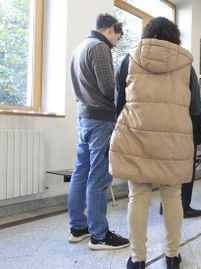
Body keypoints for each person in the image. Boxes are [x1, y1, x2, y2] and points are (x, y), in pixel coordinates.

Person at [110, 17, 201, 269]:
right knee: (172, 195)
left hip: (136, 135)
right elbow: (195, 108)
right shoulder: (187, 64)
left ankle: (137, 259)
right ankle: (172, 255)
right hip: (174, 139)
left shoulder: (129, 59)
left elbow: (118, 104)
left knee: (137, 196)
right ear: (175, 37)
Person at [68, 13, 128, 250]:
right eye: (118, 36)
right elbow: (108, 88)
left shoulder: (79, 48)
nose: (117, 42)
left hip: (83, 117)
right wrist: (123, 108)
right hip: (101, 120)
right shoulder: (100, 47)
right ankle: (100, 235)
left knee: (80, 172)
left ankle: (78, 227)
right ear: (112, 29)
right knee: (99, 176)